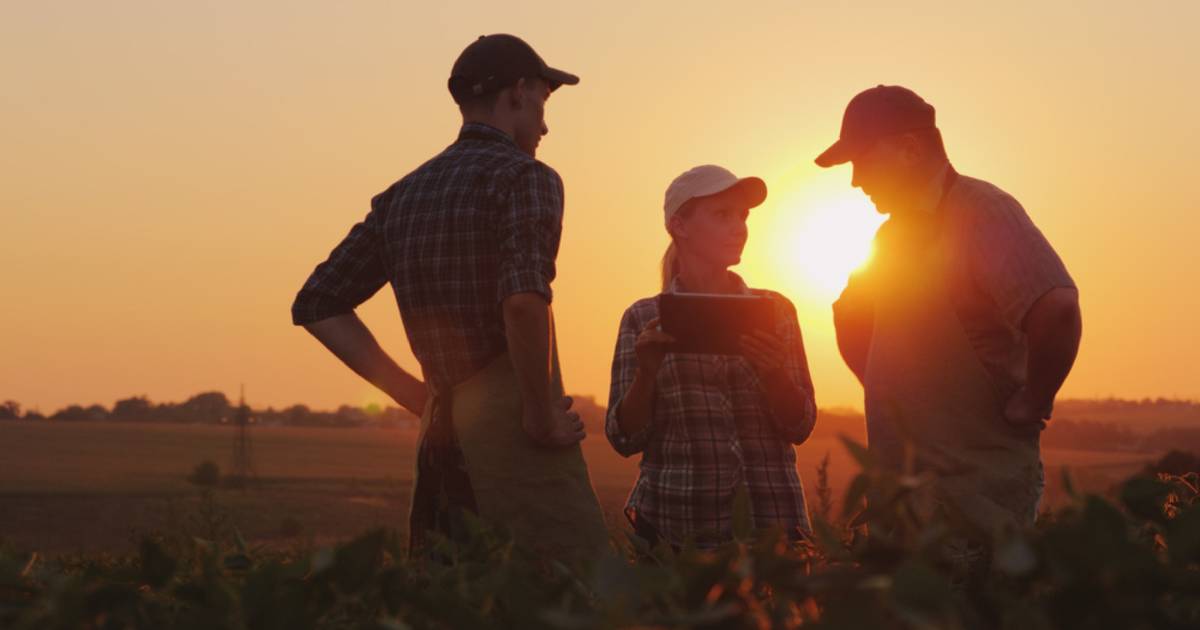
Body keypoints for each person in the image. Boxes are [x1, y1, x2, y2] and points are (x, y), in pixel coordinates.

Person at [291, 34, 608, 559]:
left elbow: (318, 304)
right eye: (543, 104)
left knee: (450, 601)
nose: (546, 125)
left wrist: (417, 396)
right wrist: (539, 414)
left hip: (440, 448)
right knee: (563, 596)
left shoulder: (402, 196)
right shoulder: (526, 178)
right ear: (519, 92)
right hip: (517, 448)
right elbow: (524, 302)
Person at [815, 85, 1082, 539]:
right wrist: (890, 393)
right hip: (902, 495)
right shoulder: (890, 238)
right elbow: (850, 318)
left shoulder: (984, 213)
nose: (856, 180)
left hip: (978, 496)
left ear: (910, 149)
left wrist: (1034, 399)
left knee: (979, 606)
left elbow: (1056, 309)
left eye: (862, 160)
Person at [605, 165, 818, 548]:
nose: (740, 227)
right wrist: (646, 374)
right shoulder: (641, 318)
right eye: (723, 214)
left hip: (772, 530)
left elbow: (800, 426)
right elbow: (623, 438)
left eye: (743, 215)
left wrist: (773, 375)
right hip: (675, 532)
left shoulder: (777, 311)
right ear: (679, 226)